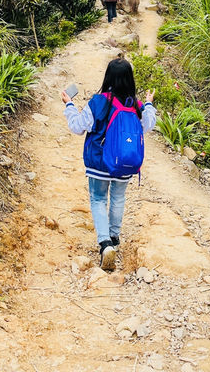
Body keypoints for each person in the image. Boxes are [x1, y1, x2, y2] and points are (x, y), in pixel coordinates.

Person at [62, 57, 156, 270]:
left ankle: (105, 244)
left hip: (98, 161)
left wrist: (69, 104)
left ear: (108, 77)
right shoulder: (135, 104)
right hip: (124, 162)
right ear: (129, 79)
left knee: (97, 198)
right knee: (118, 196)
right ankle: (114, 237)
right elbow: (148, 125)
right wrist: (148, 103)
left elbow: (77, 127)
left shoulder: (98, 101)